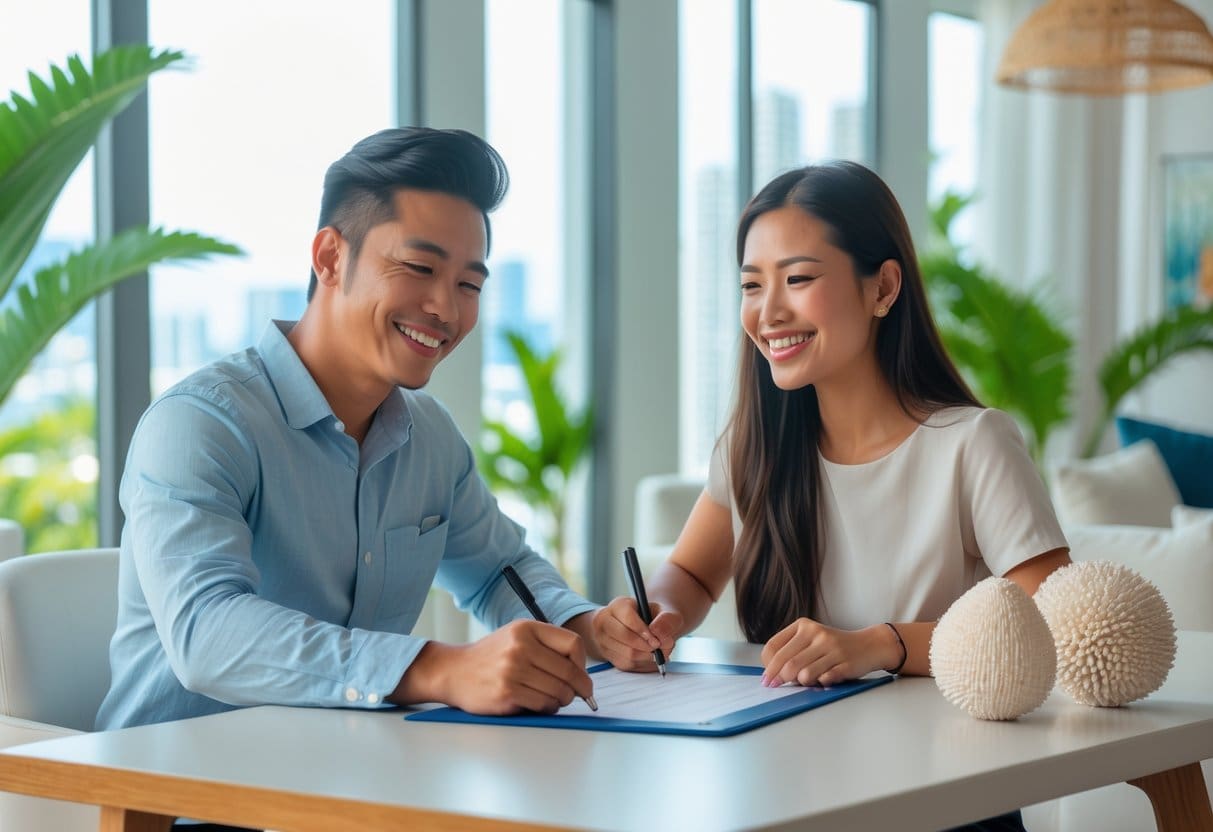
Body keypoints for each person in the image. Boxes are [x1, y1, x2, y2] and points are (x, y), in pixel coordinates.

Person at [591, 162, 1070, 832]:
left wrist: (879, 646)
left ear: (883, 287)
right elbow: (695, 571)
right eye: (751, 285)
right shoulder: (754, 445)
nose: (767, 311)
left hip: (945, 798)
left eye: (797, 278)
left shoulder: (972, 443)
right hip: (785, 788)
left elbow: (1052, 624)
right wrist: (658, 612)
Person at [97, 127, 601, 737]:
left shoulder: (430, 437)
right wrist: (439, 668)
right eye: (419, 267)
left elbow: (500, 571)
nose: (446, 308)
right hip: (181, 802)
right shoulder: (200, 424)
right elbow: (205, 633)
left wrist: (584, 627)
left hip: (351, 780)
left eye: (469, 284)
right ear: (331, 258)